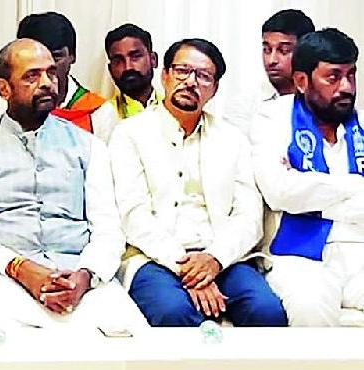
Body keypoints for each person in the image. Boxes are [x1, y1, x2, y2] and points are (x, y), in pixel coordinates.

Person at [0, 38, 143, 329]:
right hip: (2, 277)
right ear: (4, 89)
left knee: (130, 342)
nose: (47, 83)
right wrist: (20, 268)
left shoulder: (89, 146)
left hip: (78, 276)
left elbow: (108, 230)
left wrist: (85, 275)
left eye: (51, 73)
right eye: (32, 76)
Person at [110, 38, 287, 327]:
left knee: (266, 311)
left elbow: (249, 216)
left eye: (204, 76)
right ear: (164, 76)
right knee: (173, 313)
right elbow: (132, 214)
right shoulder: (129, 134)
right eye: (182, 71)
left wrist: (214, 259)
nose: (191, 82)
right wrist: (187, 268)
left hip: (223, 257)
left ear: (214, 89)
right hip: (153, 257)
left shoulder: (233, 140)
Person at [251, 28, 364, 326]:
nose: (346, 87)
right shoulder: (272, 118)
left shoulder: (361, 123)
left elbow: (295, 191)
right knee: (310, 306)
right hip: (298, 254)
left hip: (358, 246)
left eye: (351, 75)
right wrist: (355, 185)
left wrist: (311, 196)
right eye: (333, 77)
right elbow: (279, 191)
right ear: (302, 81)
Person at [0, 12, 118, 143]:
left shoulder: (99, 113)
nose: (47, 68)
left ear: (72, 56)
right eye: (34, 60)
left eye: (56, 57)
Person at [224, 9, 314, 136]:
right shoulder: (244, 106)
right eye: (266, 50)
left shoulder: (322, 101)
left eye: (284, 50)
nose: (271, 60)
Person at [105, 23, 163, 119]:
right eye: (118, 61)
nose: (128, 67)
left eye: (135, 56)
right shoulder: (102, 117)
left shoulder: (173, 110)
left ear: (153, 60)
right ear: (110, 69)